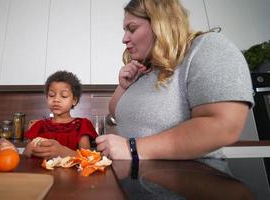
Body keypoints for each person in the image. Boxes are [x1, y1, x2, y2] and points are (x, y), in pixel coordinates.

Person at [96, 0, 254, 160]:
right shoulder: (144, 69)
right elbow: (116, 111)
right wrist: (123, 87)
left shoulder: (205, 48)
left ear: (160, 24)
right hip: (136, 180)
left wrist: (133, 149)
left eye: (132, 29)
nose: (124, 39)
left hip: (192, 180)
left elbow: (223, 125)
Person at [0, 71, 98, 159]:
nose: (56, 99)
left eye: (64, 96)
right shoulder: (39, 126)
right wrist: (10, 154)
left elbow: (88, 159)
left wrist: (64, 152)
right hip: (40, 180)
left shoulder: (82, 124)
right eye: (51, 95)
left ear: (74, 100)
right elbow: (25, 158)